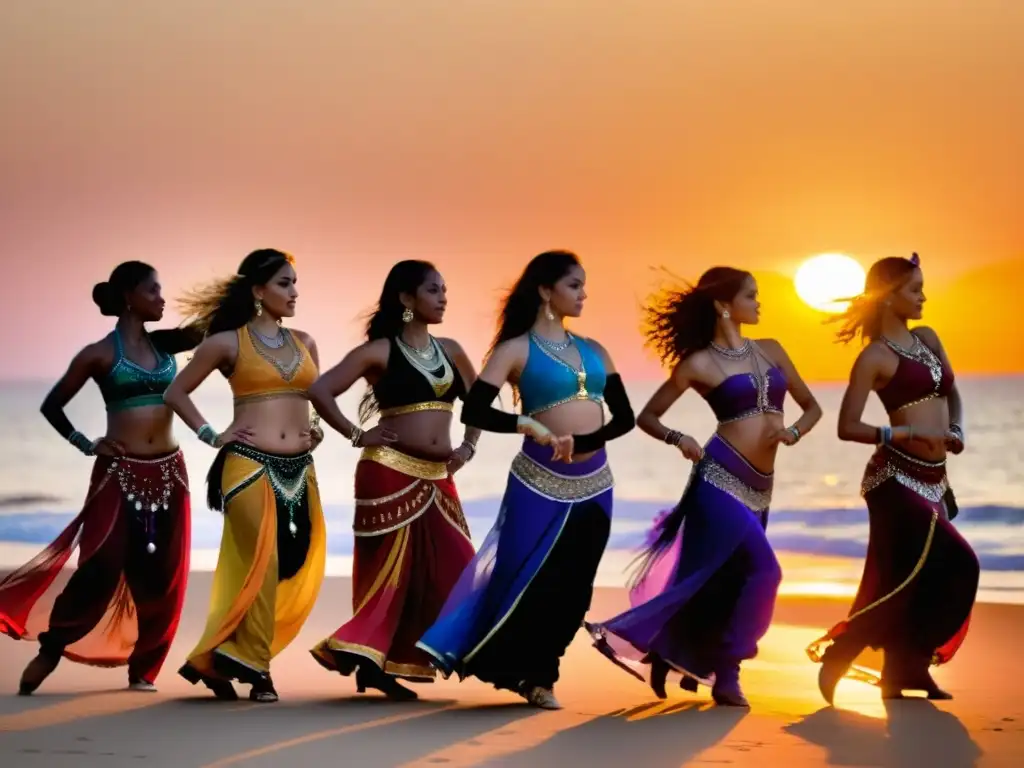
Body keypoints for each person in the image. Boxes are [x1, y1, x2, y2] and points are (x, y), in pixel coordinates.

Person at [585, 266, 821, 707]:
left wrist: (794, 433)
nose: (758, 303)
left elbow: (812, 407)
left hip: (762, 486)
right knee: (766, 572)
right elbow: (648, 417)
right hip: (719, 479)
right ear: (722, 304)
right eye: (751, 295)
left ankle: (679, 657)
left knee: (726, 580)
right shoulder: (699, 363)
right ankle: (729, 669)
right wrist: (680, 438)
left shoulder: (771, 350)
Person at [416, 250, 635, 710]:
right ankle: (534, 678)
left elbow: (626, 417)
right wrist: (526, 425)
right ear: (545, 290)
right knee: (528, 577)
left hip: (596, 482)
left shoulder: (595, 350)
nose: (583, 293)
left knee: (577, 588)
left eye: (583, 285)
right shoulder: (515, 349)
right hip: (538, 481)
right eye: (574, 284)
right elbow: (475, 410)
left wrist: (586, 437)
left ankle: (540, 669)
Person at [0, 261, 199, 695]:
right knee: (102, 565)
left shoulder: (169, 347)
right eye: (154, 290)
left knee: (162, 574)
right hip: (118, 472)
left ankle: (144, 669)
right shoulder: (99, 354)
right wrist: (86, 443)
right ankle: (52, 646)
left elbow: (219, 324)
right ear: (129, 296)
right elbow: (52, 405)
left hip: (169, 471)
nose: (162, 298)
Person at [808, 253, 979, 703]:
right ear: (887, 297)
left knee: (922, 579)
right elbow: (848, 426)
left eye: (922, 286)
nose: (923, 296)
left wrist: (955, 429)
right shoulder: (874, 358)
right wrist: (904, 431)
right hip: (894, 479)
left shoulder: (927, 338)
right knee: (960, 563)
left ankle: (906, 670)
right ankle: (844, 648)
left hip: (935, 476)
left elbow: (952, 392)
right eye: (913, 288)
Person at [307, 261, 480, 700]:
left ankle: (462, 650)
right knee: (391, 574)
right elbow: (320, 390)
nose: (443, 298)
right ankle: (372, 661)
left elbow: (480, 404)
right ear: (406, 299)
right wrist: (355, 433)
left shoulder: (452, 350)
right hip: (387, 469)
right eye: (433, 290)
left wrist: (468, 446)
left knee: (458, 567)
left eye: (445, 290)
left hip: (438, 476)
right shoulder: (379, 352)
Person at [164, 248, 326, 703]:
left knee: (292, 562)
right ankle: (258, 671)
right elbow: (176, 391)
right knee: (263, 560)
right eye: (284, 283)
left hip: (300, 469)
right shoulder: (227, 343)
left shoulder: (306, 342)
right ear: (259, 291)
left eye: (295, 283)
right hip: (248, 466)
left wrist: (313, 430)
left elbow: (315, 397)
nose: (294, 292)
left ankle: (219, 657)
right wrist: (213, 435)